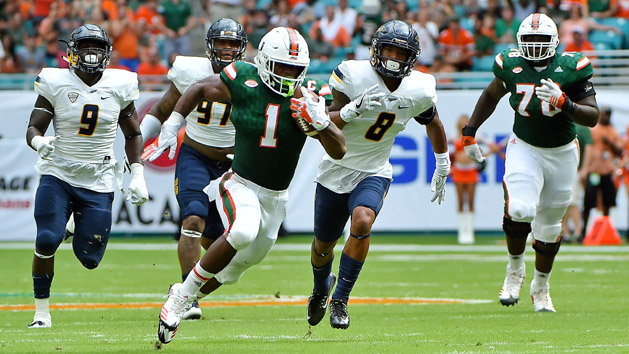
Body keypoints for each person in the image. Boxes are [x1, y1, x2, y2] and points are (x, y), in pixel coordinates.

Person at [151, 26, 346, 344]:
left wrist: (320, 121)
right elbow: (200, 88)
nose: (287, 75)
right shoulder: (243, 78)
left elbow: (339, 150)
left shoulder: (305, 97)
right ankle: (178, 300)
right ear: (266, 61)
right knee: (242, 231)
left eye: (295, 69)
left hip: (276, 198)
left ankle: (185, 292)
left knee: (233, 270)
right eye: (282, 66)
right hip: (238, 182)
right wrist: (172, 125)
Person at [307, 20, 450, 330]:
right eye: (389, 50)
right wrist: (349, 111)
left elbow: (433, 122)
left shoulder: (420, 88)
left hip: (374, 170)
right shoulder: (353, 75)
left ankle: (341, 299)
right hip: (335, 170)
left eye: (402, 53)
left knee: (362, 220)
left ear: (412, 58)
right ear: (375, 49)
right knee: (323, 246)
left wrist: (443, 163)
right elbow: (322, 123)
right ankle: (320, 288)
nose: (394, 59)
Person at [461, 13, 599, 312]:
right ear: (519, 42)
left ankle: (541, 285)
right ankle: (514, 271)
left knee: (549, 227)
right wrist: (470, 133)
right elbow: (490, 95)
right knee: (520, 208)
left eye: (541, 40)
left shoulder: (571, 68)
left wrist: (565, 103)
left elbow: (592, 116)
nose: (535, 46)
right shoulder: (511, 65)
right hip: (524, 146)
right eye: (530, 40)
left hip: (562, 152)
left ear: (555, 42)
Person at [26, 24, 148, 328]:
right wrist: (39, 142)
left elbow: (133, 133)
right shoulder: (55, 81)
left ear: (106, 53)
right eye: (85, 47)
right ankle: (42, 313)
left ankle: (70, 227)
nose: (91, 54)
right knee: (46, 239)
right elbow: (34, 127)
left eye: (97, 47)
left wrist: (138, 173)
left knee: (89, 258)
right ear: (72, 52)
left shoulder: (120, 83)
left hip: (100, 177)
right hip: (59, 171)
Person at [139, 18, 247, 321]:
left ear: (242, 48)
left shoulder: (252, 78)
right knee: (193, 218)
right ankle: (187, 297)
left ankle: (189, 289)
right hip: (195, 155)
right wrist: (136, 147)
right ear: (209, 45)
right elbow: (161, 109)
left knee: (220, 239)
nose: (226, 49)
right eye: (221, 43)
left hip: (233, 164)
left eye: (232, 43)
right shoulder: (192, 71)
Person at [582, 106, 623, 239]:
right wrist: (586, 168)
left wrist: (609, 143)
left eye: (608, 115)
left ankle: (608, 229)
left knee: (608, 202)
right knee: (589, 201)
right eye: (604, 114)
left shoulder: (613, 131)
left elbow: (620, 152)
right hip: (594, 171)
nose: (606, 117)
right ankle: (585, 231)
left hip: (607, 170)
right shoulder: (593, 129)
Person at [562, 123, 593, 243]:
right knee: (562, 202)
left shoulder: (582, 126)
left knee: (573, 201)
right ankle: (565, 233)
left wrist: (584, 167)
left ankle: (577, 232)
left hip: (575, 169)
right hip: (560, 169)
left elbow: (589, 147)